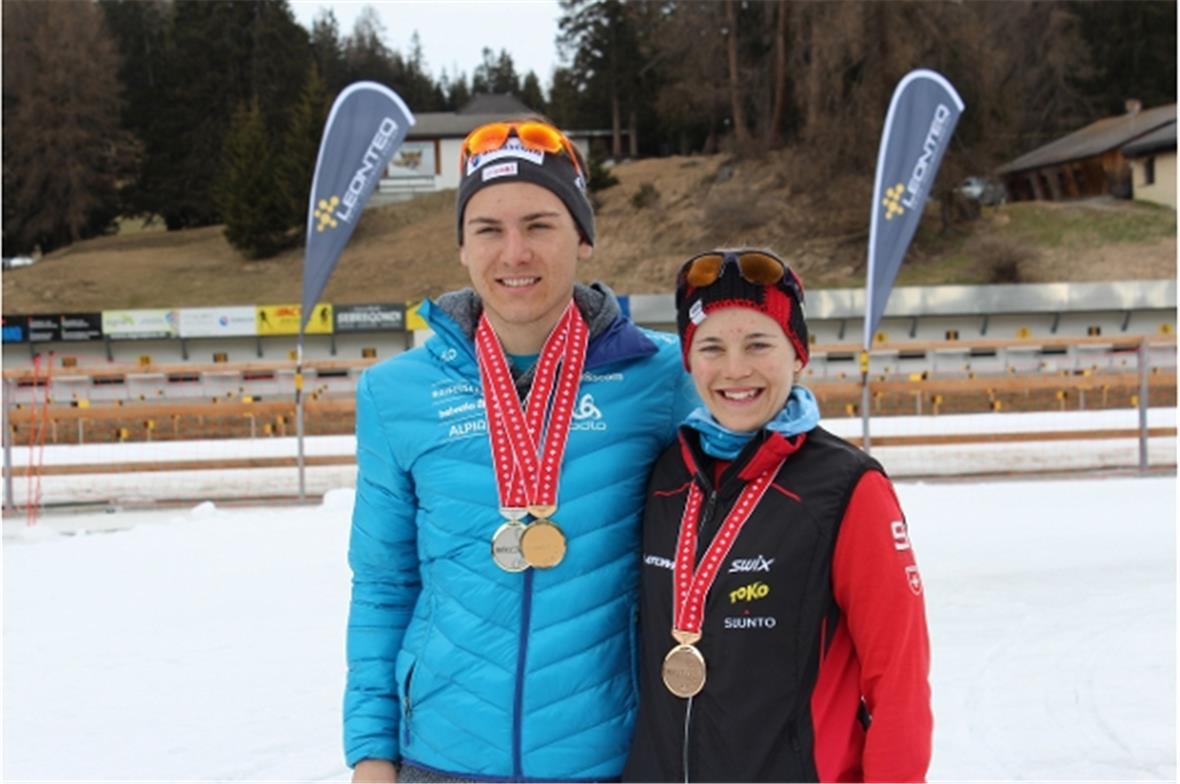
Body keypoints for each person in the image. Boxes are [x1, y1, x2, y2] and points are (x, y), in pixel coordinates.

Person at [344, 119, 698, 783]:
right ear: (462, 248)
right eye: (488, 229)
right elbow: (383, 585)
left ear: (583, 238)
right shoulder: (396, 394)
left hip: (606, 760)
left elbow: (769, 429)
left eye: (539, 225)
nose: (514, 253)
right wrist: (370, 754)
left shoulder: (661, 376)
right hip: (439, 760)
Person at [623, 249, 932, 783]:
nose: (735, 369)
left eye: (759, 344)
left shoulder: (846, 488)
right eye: (712, 347)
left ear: (797, 354)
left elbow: (899, 683)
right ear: (689, 361)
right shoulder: (664, 476)